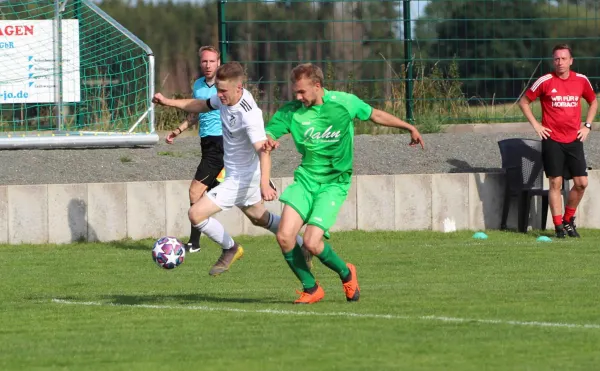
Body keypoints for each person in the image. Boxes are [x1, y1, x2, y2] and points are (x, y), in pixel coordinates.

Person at [264, 63, 425, 304]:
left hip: (334, 183)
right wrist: (269, 142)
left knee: (311, 242)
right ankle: (311, 288)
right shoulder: (291, 112)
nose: (297, 97)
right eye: (295, 92)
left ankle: (346, 273)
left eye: (302, 92)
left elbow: (375, 115)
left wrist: (408, 126)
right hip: (306, 179)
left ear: (317, 86)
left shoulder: (344, 103)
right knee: (285, 236)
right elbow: (268, 136)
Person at [153, 61, 303, 276]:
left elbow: (263, 150)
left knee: (196, 214)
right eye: (217, 90)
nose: (219, 95)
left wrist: (264, 184)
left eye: (223, 91)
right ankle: (302, 243)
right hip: (239, 174)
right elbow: (201, 105)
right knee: (259, 218)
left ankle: (230, 248)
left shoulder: (249, 115)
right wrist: (168, 102)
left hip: (240, 179)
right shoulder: (226, 97)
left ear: (239, 88)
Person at [519, 43, 597, 238]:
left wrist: (587, 126)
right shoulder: (545, 81)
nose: (560, 62)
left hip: (574, 139)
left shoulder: (581, 80)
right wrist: (537, 126)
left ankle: (568, 219)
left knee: (581, 183)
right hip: (552, 139)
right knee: (555, 182)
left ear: (571, 61)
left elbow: (593, 101)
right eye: (556, 59)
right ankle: (558, 227)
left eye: (563, 59)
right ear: (553, 61)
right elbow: (524, 102)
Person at [163, 46, 225, 253]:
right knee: (207, 192)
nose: (208, 65)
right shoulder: (198, 85)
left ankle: (194, 243)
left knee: (195, 191)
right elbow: (196, 112)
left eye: (212, 61)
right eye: (204, 62)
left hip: (221, 143)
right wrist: (178, 130)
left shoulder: (225, 85)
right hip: (207, 143)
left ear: (219, 62)